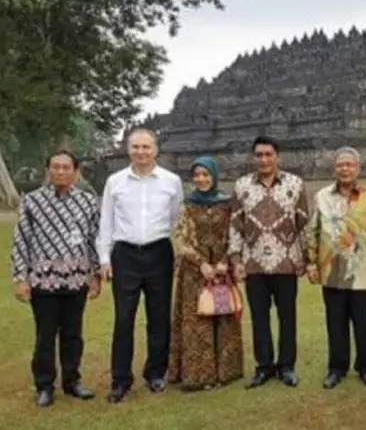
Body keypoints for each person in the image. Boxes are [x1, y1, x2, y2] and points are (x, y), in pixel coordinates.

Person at [97, 128, 184, 403]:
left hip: (159, 251)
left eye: (146, 147)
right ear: (128, 149)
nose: (141, 152)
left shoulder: (171, 181)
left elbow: (176, 221)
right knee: (124, 319)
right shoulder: (115, 181)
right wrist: (104, 258)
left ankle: (156, 372)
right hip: (125, 254)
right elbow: (106, 222)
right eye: (136, 147)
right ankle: (120, 379)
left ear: (155, 150)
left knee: (159, 317)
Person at [10, 149, 102, 408]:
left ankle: (72, 381)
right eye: (55, 167)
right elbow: (21, 240)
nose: (60, 172)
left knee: (74, 334)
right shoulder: (32, 201)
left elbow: (94, 239)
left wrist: (95, 273)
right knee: (45, 335)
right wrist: (21, 277)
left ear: (75, 171)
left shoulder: (87, 201)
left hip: (76, 279)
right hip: (44, 279)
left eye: (66, 167)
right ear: (47, 170)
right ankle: (44, 385)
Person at [229, 136, 310, 389]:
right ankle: (264, 366)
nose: (263, 159)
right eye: (259, 155)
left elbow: (303, 224)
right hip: (254, 264)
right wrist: (235, 260)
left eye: (268, 154)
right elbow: (235, 226)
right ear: (254, 157)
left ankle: (286, 366)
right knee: (259, 318)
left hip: (286, 262)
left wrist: (306, 258)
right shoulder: (242, 186)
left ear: (277, 156)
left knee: (288, 317)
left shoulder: (295, 184)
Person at [307, 147, 366, 389]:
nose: (345, 169)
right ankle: (337, 368)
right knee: (335, 322)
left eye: (349, 165)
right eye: (341, 165)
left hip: (363, 270)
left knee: (364, 322)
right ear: (335, 169)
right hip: (332, 270)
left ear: (358, 169)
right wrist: (311, 262)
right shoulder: (322, 197)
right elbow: (314, 231)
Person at [168, 155, 244, 392]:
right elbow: (180, 237)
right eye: (197, 175)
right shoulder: (188, 205)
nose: (201, 179)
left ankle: (226, 372)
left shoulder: (227, 202)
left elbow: (235, 233)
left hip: (221, 271)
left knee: (222, 315)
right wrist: (201, 262)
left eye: (205, 174)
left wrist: (224, 261)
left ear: (214, 176)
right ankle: (199, 375)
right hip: (194, 272)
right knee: (196, 321)